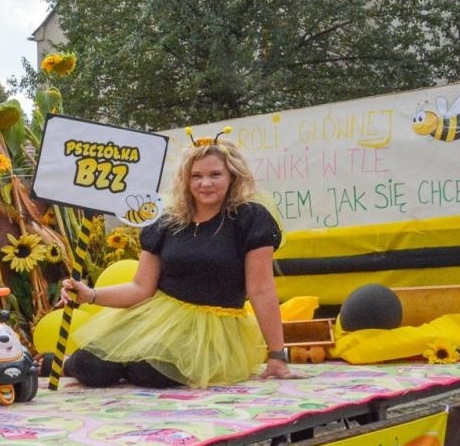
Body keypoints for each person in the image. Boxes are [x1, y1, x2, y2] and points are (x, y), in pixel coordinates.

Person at [61, 138, 293, 388]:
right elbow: (141, 287)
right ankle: (58, 362)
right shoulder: (167, 221)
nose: (205, 183)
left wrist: (277, 356)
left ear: (232, 176)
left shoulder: (250, 218)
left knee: (150, 371)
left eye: (215, 174)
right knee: (90, 367)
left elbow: (261, 289)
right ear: (186, 179)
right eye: (196, 176)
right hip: (157, 318)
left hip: (212, 329)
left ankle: (128, 367)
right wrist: (90, 294)